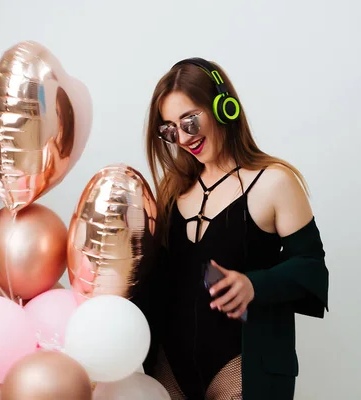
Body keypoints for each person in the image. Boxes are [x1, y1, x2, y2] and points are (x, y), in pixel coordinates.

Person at [138, 57, 329, 400]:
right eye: (169, 129)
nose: (182, 138)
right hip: (169, 369)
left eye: (189, 121)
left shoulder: (274, 182)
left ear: (224, 107)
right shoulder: (172, 189)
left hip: (242, 369)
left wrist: (253, 284)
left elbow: (313, 270)